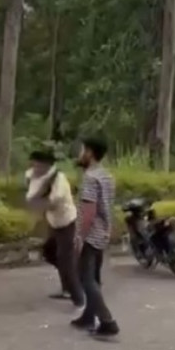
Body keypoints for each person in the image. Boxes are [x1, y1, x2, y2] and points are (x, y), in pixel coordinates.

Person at [73, 135, 119, 338]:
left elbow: (89, 211)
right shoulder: (107, 176)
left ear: (90, 152)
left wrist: (80, 237)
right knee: (95, 278)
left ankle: (107, 321)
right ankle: (88, 316)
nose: (80, 154)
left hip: (91, 235)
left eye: (82, 150)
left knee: (86, 279)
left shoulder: (90, 178)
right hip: (103, 232)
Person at [25, 149, 83, 307]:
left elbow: (53, 201)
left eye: (38, 164)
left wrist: (35, 202)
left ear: (46, 165)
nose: (35, 166)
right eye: (33, 163)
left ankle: (79, 299)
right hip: (53, 221)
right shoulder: (31, 176)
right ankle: (67, 286)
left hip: (66, 221)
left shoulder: (59, 178)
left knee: (65, 260)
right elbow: (30, 197)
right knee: (49, 252)